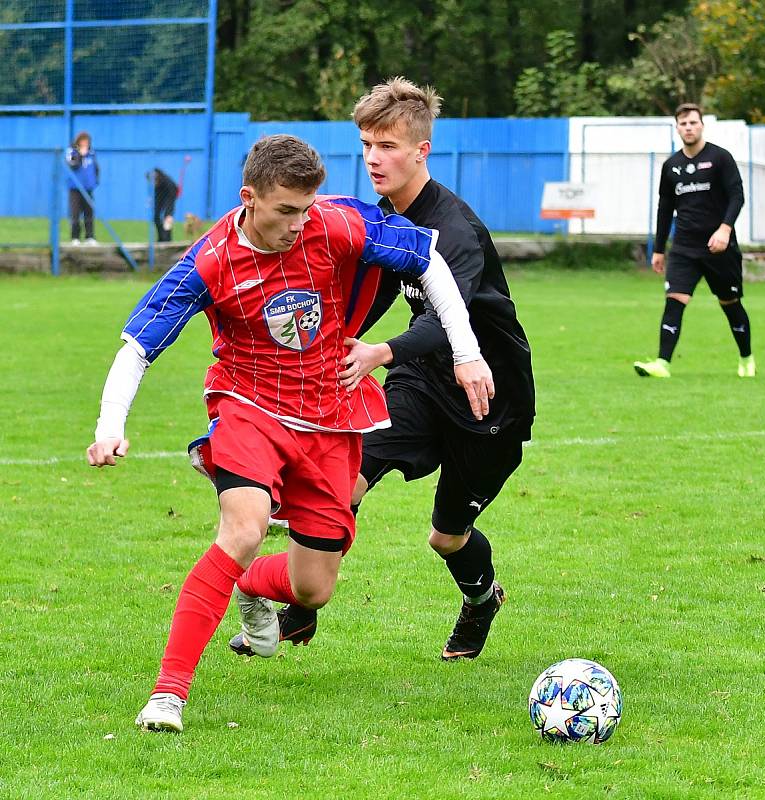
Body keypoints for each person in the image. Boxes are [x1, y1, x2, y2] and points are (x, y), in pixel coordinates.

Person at [86, 134, 493, 733]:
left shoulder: (334, 224)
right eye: (284, 211)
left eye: (306, 208)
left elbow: (427, 260)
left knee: (313, 589)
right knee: (245, 526)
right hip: (248, 405)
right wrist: (110, 425)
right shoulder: (210, 260)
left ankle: (249, 586)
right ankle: (169, 693)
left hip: (331, 416)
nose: (299, 224)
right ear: (248, 199)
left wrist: (467, 352)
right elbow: (138, 346)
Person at [268, 78, 535, 661]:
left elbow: (450, 316)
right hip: (418, 380)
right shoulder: (386, 217)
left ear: (422, 151)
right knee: (345, 482)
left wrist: (377, 351)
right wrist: (338, 337)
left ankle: (482, 599)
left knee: (447, 536)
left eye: (387, 145)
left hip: (490, 397)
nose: (373, 158)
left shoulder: (455, 229)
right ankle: (303, 606)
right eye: (366, 144)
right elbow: (381, 289)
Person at [634, 103, 754, 379]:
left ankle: (746, 359)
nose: (688, 128)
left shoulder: (720, 158)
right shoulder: (671, 166)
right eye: (683, 124)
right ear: (677, 128)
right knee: (674, 299)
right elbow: (665, 209)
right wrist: (659, 249)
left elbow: (737, 196)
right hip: (684, 247)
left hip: (718, 247)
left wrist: (725, 229)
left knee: (730, 302)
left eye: (693, 123)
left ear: (702, 125)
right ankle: (662, 364)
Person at [65, 131, 99, 246]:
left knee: (89, 213)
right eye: (83, 142)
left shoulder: (92, 154)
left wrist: (95, 181)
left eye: (87, 142)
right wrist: (80, 155)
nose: (85, 144)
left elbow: (96, 168)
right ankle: (75, 238)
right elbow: (72, 165)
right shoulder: (72, 152)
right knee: (75, 213)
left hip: (88, 188)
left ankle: (90, 237)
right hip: (75, 188)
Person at [151, 168, 179, 242]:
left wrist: (169, 213)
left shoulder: (169, 183)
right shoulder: (158, 185)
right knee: (156, 217)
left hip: (170, 196)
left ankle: (167, 239)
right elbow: (157, 197)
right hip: (162, 197)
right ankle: (161, 238)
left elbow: (172, 198)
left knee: (167, 217)